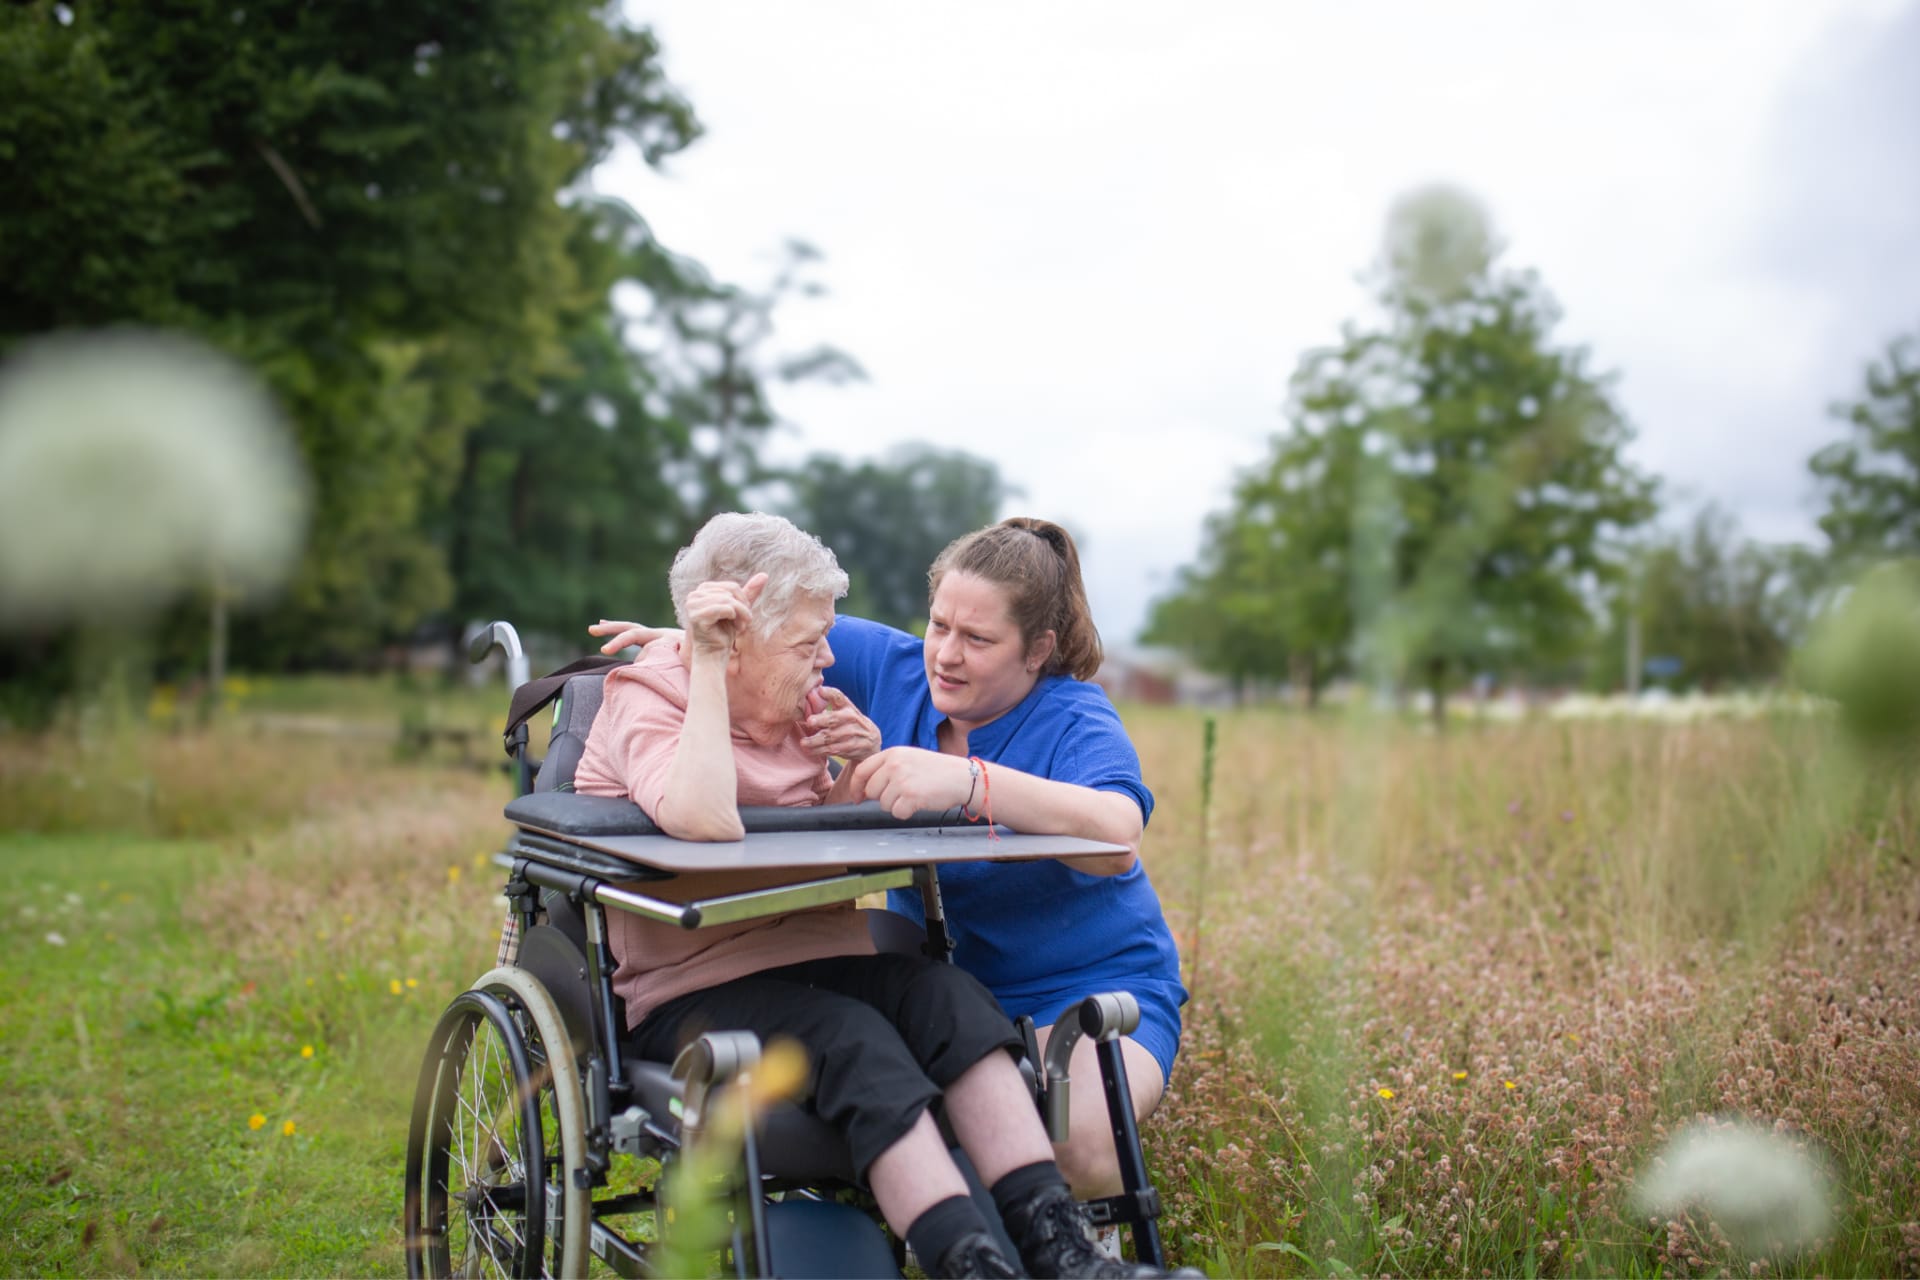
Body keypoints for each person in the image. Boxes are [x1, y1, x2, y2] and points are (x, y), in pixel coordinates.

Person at [574, 511, 1172, 1280]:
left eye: (977, 638)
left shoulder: (809, 699)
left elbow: (1115, 833)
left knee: (950, 1000)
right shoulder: (663, 695)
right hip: (701, 983)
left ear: (1037, 650)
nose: (828, 659)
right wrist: (697, 652)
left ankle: (1063, 1250)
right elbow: (705, 814)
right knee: (855, 1039)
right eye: (939, 626)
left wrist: (867, 772)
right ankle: (968, 1263)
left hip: (873, 962)